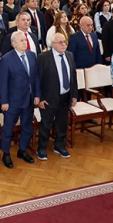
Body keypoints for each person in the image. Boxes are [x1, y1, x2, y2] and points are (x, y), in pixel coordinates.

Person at [0, 32, 41, 168]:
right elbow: (2, 82)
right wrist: (4, 101)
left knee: (28, 127)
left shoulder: (32, 55)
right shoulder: (6, 59)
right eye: (21, 40)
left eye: (25, 39)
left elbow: (36, 78)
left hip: (28, 99)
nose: (24, 42)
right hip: (12, 101)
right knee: (8, 129)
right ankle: (6, 154)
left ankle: (22, 150)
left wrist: (37, 95)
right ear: (14, 43)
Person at [35, 33, 77, 161]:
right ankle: (41, 148)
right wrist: (40, 98)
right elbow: (37, 79)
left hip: (65, 96)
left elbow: (73, 77)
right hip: (48, 98)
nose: (63, 44)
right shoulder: (43, 58)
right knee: (46, 124)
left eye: (64, 42)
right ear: (52, 44)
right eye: (60, 42)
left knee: (62, 123)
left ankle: (60, 146)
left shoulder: (70, 55)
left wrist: (74, 95)